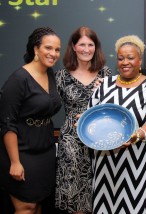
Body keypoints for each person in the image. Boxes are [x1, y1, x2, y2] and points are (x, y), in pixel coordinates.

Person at [88, 35, 146, 213]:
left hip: (143, 164)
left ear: (140, 60)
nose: (125, 62)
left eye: (130, 57)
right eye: (120, 58)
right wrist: (84, 120)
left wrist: (138, 134)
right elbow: (92, 115)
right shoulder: (104, 85)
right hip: (107, 166)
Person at [0, 27, 62, 214]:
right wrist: (15, 162)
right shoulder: (18, 79)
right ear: (36, 49)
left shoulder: (50, 74)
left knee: (38, 205)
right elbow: (7, 123)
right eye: (48, 48)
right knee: (26, 207)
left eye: (57, 49)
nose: (53, 54)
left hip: (45, 151)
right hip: (21, 152)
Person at [55, 26, 111, 214]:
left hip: (100, 141)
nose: (86, 49)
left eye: (90, 44)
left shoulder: (106, 74)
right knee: (76, 198)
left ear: (96, 47)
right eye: (82, 45)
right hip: (72, 141)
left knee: (101, 192)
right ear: (73, 46)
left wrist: (104, 93)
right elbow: (47, 105)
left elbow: (115, 108)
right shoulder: (61, 76)